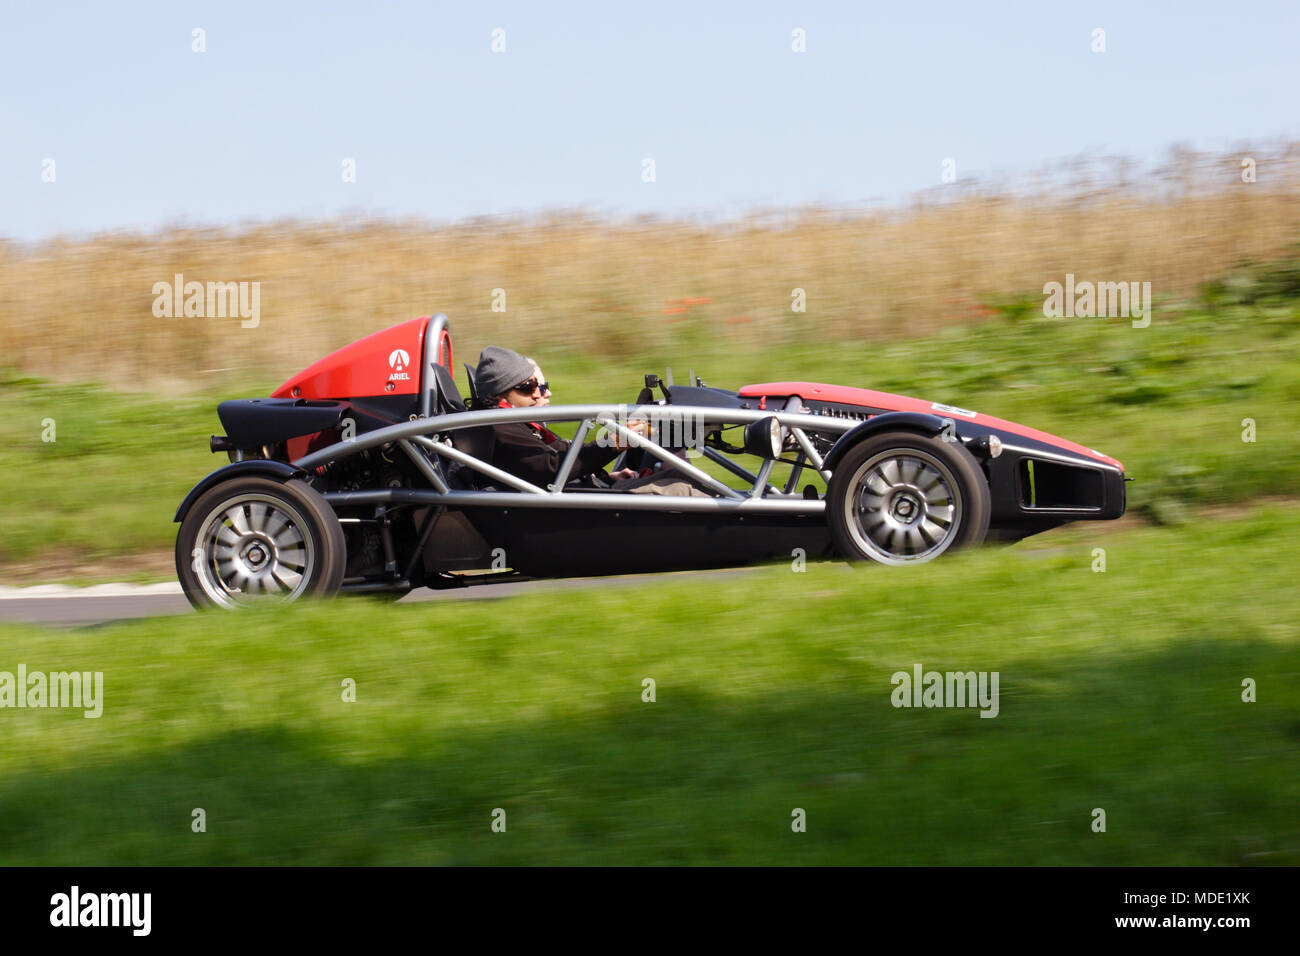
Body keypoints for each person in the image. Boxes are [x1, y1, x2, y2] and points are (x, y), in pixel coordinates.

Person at [471, 346, 708, 496]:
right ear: (501, 395)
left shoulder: (516, 424)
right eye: (527, 387)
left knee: (679, 477)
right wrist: (615, 443)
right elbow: (549, 468)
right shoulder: (499, 426)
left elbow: (563, 453)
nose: (538, 393)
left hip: (585, 496)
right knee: (681, 487)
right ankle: (741, 531)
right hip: (573, 513)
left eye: (540, 386)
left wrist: (604, 476)